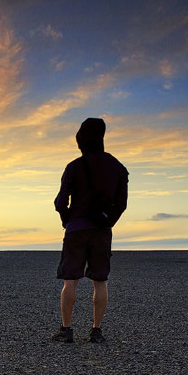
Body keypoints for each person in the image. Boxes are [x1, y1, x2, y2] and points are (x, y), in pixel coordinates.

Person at [52, 117, 129, 343]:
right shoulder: (118, 168)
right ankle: (96, 330)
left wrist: (68, 219)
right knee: (100, 280)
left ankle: (66, 330)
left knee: (70, 280)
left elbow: (60, 201)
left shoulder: (74, 166)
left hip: (76, 229)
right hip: (102, 231)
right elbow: (121, 204)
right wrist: (108, 222)